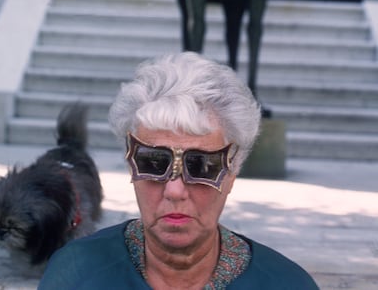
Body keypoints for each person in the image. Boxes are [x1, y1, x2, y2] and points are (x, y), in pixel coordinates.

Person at [38, 51, 319, 289]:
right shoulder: (74, 275)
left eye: (202, 166)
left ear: (232, 173)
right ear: (131, 165)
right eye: (153, 162)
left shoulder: (286, 284)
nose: (174, 189)